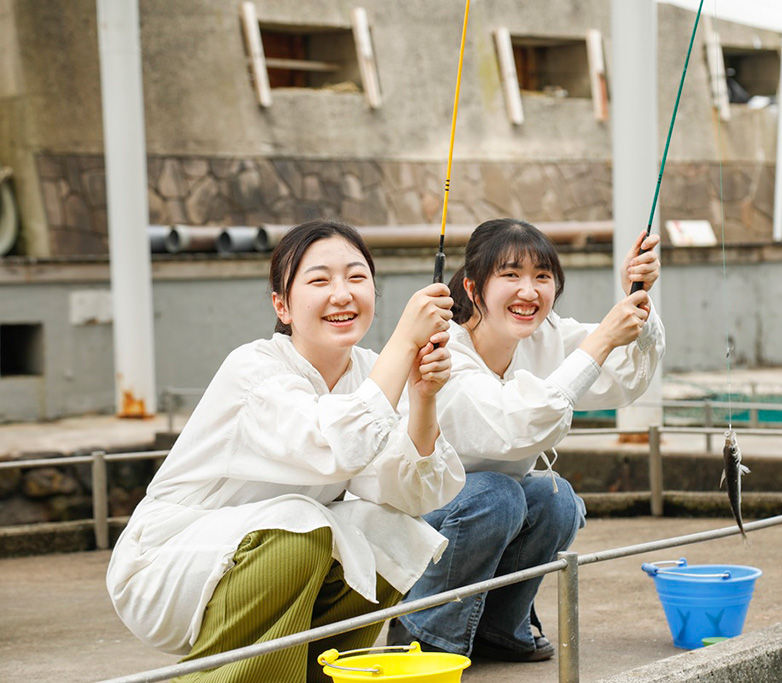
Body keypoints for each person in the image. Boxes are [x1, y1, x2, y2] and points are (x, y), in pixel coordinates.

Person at [106, 220, 465, 682]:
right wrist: (403, 342)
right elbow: (334, 444)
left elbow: (411, 495)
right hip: (170, 562)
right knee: (303, 525)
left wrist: (424, 398)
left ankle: (320, 674)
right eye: (319, 280)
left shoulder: (372, 372)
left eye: (357, 278)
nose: (342, 294)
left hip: (271, 553)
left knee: (390, 528)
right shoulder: (254, 371)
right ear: (283, 304)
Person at [388, 218, 665, 661]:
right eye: (511, 274)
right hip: (412, 521)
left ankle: (501, 628)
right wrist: (603, 338)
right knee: (497, 495)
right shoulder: (446, 352)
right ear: (474, 288)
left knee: (556, 498)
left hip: (484, 509)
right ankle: (424, 631)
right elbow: (512, 425)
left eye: (542, 276)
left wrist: (637, 302)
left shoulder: (545, 335)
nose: (529, 291)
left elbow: (626, 374)